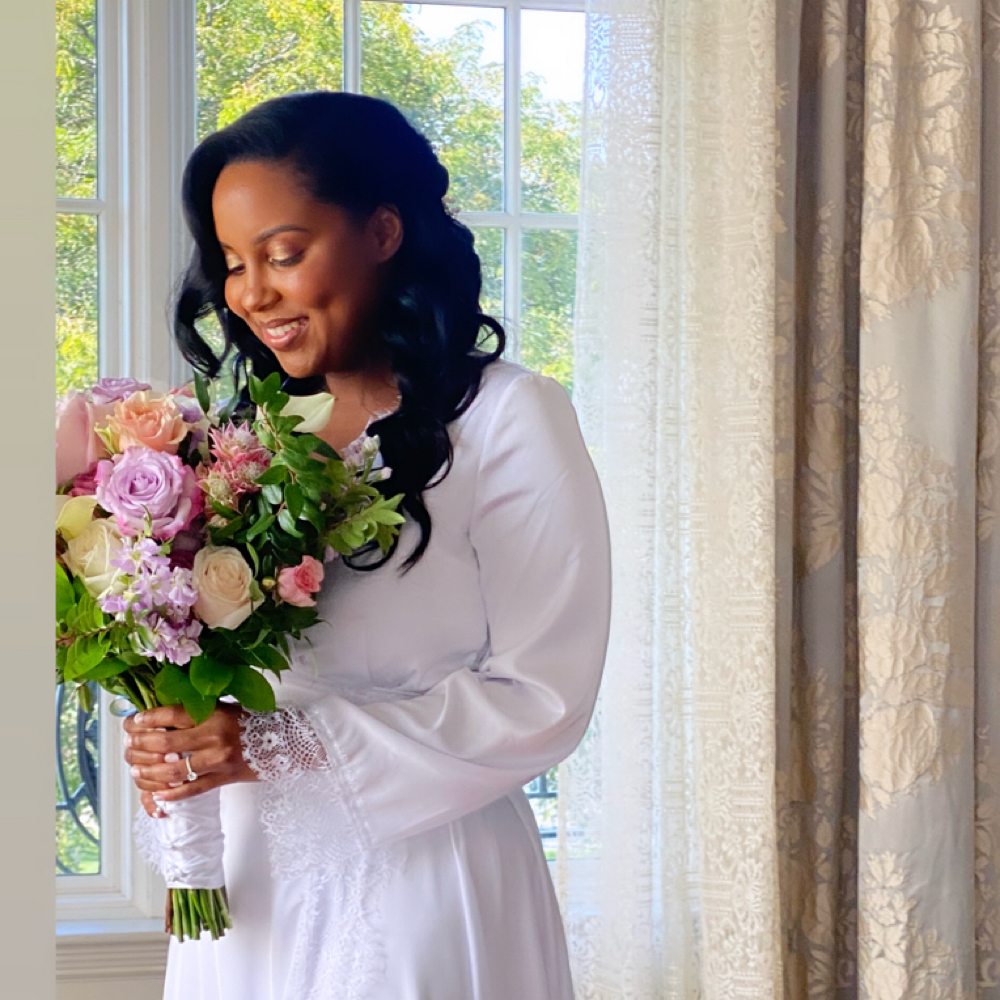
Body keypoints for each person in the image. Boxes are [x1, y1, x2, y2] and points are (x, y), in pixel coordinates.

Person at [122, 90, 611, 1000]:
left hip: (426, 879)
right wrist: (176, 734)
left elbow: (545, 698)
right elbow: (218, 672)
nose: (251, 293)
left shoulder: (507, 419)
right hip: (251, 891)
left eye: (283, 254)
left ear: (383, 231)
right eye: (233, 264)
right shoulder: (234, 441)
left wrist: (273, 747)